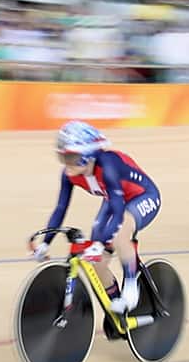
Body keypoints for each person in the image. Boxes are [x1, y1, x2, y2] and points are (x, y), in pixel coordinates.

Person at [31, 120, 163, 314]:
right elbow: (60, 208)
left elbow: (118, 213)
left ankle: (131, 284)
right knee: (96, 261)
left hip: (143, 196)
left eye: (71, 158)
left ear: (87, 156)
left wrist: (99, 244)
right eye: (63, 158)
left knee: (120, 233)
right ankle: (118, 310)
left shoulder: (108, 165)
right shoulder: (69, 174)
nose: (66, 165)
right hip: (114, 197)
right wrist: (45, 243)